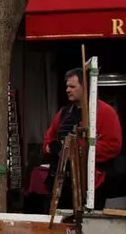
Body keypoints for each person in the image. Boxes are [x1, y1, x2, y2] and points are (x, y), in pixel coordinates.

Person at [43, 67, 123, 207]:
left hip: (91, 183)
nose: (68, 90)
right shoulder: (64, 113)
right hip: (63, 182)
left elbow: (113, 146)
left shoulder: (105, 112)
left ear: (85, 87)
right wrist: (50, 148)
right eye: (67, 86)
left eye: (72, 86)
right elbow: (49, 138)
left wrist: (79, 148)